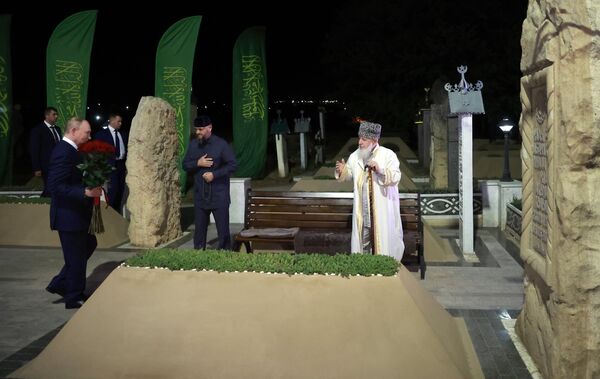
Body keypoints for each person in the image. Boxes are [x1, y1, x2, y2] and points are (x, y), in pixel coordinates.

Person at [45, 117, 102, 309]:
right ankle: (74, 297)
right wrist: (84, 192)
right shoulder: (63, 151)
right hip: (68, 215)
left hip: (77, 213)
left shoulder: (73, 150)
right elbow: (55, 186)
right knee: (76, 256)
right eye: (86, 132)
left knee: (88, 245)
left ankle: (61, 283)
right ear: (74, 130)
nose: (89, 135)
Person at [335, 120, 405, 261]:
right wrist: (343, 171)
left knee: (382, 239)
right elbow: (349, 174)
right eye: (359, 138)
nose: (360, 142)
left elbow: (396, 176)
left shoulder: (387, 155)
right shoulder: (355, 156)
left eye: (364, 139)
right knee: (363, 238)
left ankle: (384, 266)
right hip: (363, 210)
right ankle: (364, 265)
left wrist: (380, 170)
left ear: (374, 140)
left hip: (381, 210)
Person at [183, 115, 237, 250]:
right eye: (196, 129)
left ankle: (225, 256)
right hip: (200, 196)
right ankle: (199, 257)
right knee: (199, 232)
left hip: (219, 195)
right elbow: (185, 165)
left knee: (223, 231)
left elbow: (232, 165)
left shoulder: (221, 144)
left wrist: (215, 174)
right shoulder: (193, 145)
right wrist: (198, 163)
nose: (197, 132)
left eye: (200, 129)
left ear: (209, 128)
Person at [94, 113, 128, 212]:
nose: (120, 123)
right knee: (112, 191)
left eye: (121, 121)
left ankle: (117, 212)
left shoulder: (123, 134)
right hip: (109, 166)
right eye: (118, 121)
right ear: (112, 121)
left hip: (121, 166)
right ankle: (109, 212)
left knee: (121, 191)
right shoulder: (101, 134)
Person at [29, 107, 61, 196]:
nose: (56, 116)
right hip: (45, 165)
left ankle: (51, 206)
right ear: (47, 116)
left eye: (57, 114)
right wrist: (37, 168)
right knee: (49, 189)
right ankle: (44, 206)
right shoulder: (38, 130)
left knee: (54, 188)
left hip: (58, 164)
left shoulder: (57, 129)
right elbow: (34, 150)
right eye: (54, 114)